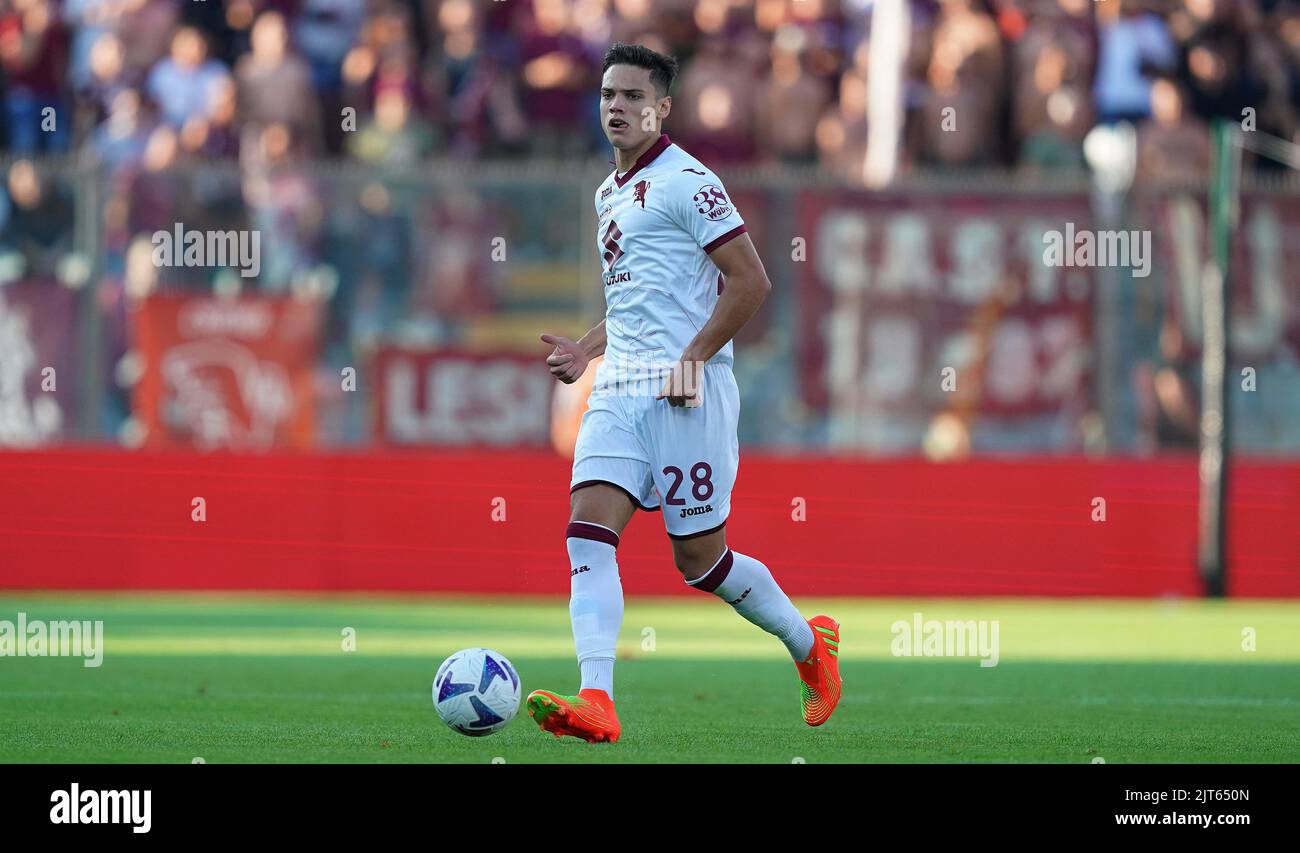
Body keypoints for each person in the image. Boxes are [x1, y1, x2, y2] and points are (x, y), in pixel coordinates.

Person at [529, 43, 842, 744]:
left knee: (701, 561)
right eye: (609, 94)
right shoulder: (607, 190)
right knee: (586, 531)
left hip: (687, 395)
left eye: (633, 97)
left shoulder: (690, 182)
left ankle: (809, 647)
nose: (617, 106)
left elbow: (752, 281)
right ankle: (597, 698)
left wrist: (695, 358)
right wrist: (587, 348)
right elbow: (641, 297)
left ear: (662, 108)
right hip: (619, 389)